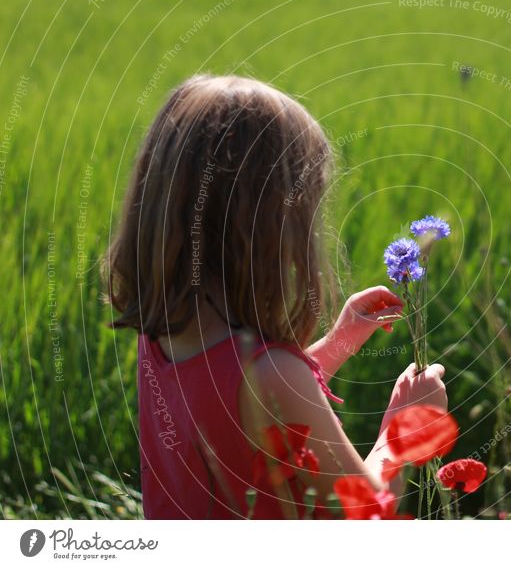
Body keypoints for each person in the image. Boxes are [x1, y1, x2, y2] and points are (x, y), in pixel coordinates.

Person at [104, 75, 447, 519]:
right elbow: (366, 514)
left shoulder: (163, 331)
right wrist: (403, 430)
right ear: (270, 227)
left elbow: (243, 409)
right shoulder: (273, 374)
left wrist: (340, 341)